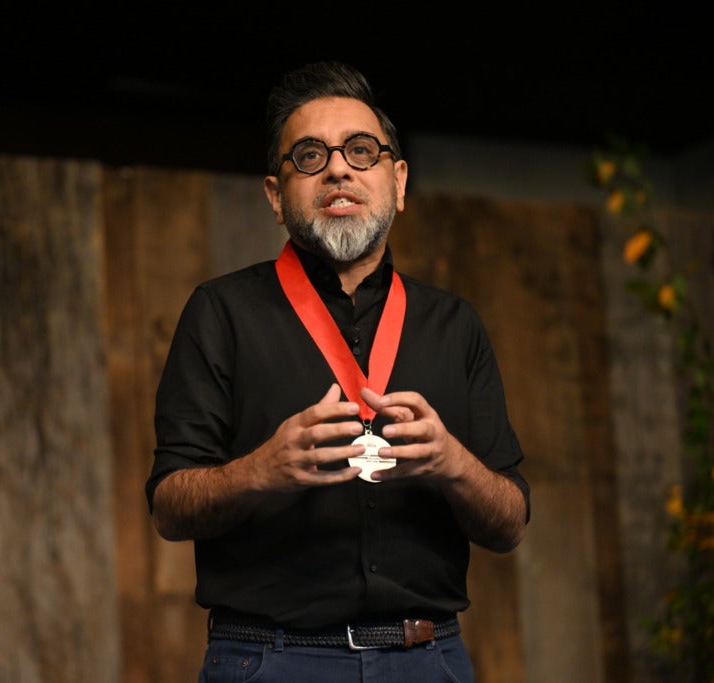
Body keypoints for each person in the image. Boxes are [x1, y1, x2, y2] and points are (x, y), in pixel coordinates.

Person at [144, 60, 530, 682]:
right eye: (309, 156)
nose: (338, 169)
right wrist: (261, 471)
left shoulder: (455, 325)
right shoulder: (220, 312)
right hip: (270, 659)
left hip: (428, 659)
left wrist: (453, 463)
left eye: (361, 150)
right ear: (276, 196)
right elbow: (169, 506)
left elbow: (510, 524)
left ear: (398, 182)